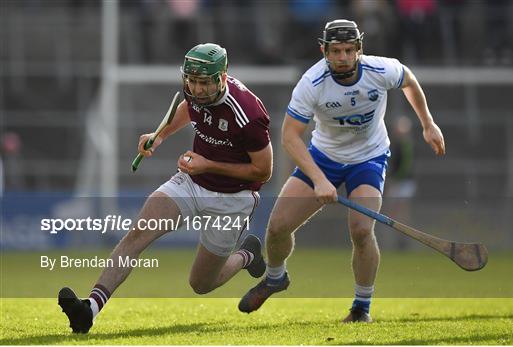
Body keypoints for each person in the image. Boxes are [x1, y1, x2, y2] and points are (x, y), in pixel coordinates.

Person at [238, 19, 445, 323]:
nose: (343, 57)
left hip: (369, 159)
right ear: (324, 50)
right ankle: (275, 277)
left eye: (349, 50)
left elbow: (409, 80)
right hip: (323, 158)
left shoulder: (380, 70)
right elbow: (290, 137)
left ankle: (361, 308)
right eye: (336, 51)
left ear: (359, 48)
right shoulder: (312, 82)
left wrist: (428, 123)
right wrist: (320, 179)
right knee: (278, 226)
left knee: (361, 230)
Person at [58, 43, 273, 334]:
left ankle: (248, 254)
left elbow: (263, 171)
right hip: (191, 182)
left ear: (222, 77)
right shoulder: (194, 89)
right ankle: (90, 310)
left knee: (201, 284)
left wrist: (208, 164)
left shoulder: (248, 114)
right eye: (191, 81)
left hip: (233, 198)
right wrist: (159, 136)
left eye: (203, 83)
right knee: (137, 234)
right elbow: (187, 108)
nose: (196, 89)